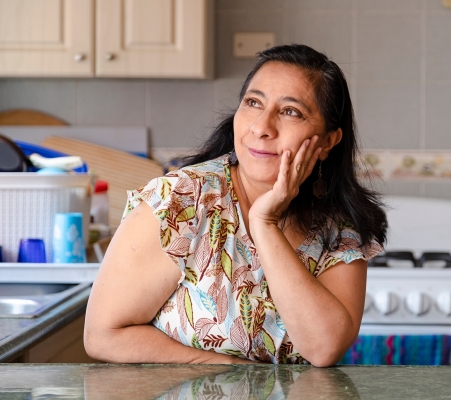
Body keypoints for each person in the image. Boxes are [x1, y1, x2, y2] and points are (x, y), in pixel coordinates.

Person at [84, 44, 387, 367]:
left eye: (290, 112)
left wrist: (264, 223)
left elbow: (324, 349)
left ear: (328, 141)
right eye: (253, 103)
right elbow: (103, 335)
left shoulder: (339, 229)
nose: (261, 127)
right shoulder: (182, 202)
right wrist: (228, 370)